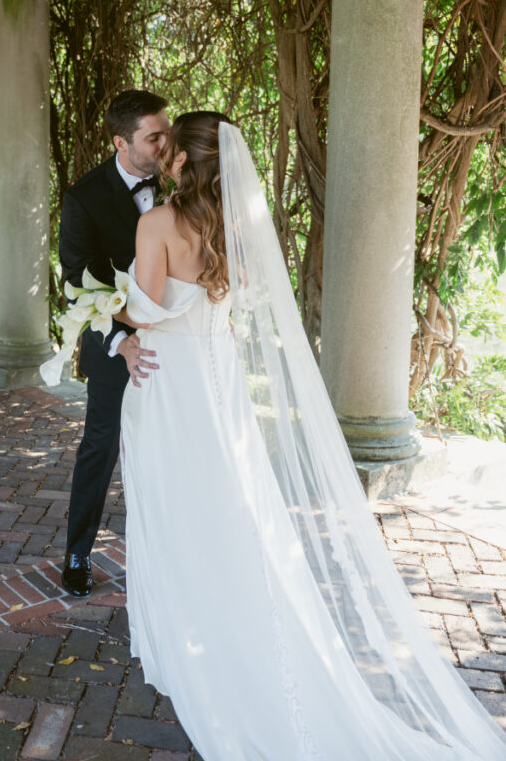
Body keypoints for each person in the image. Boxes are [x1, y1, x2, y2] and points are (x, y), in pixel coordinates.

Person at [119, 111, 506, 759]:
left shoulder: (156, 225)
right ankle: (234, 618)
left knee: (173, 501)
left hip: (170, 383)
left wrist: (117, 314)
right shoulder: (235, 225)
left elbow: (147, 308)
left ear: (183, 162)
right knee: (231, 504)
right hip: (219, 379)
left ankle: (190, 631)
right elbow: (230, 301)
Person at [58, 89, 169, 597]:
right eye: (154, 136)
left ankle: (168, 552)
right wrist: (122, 338)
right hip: (113, 347)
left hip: (175, 343)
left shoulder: (180, 182)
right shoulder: (84, 197)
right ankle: (78, 553)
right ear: (122, 142)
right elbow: (79, 281)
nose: (166, 142)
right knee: (101, 447)